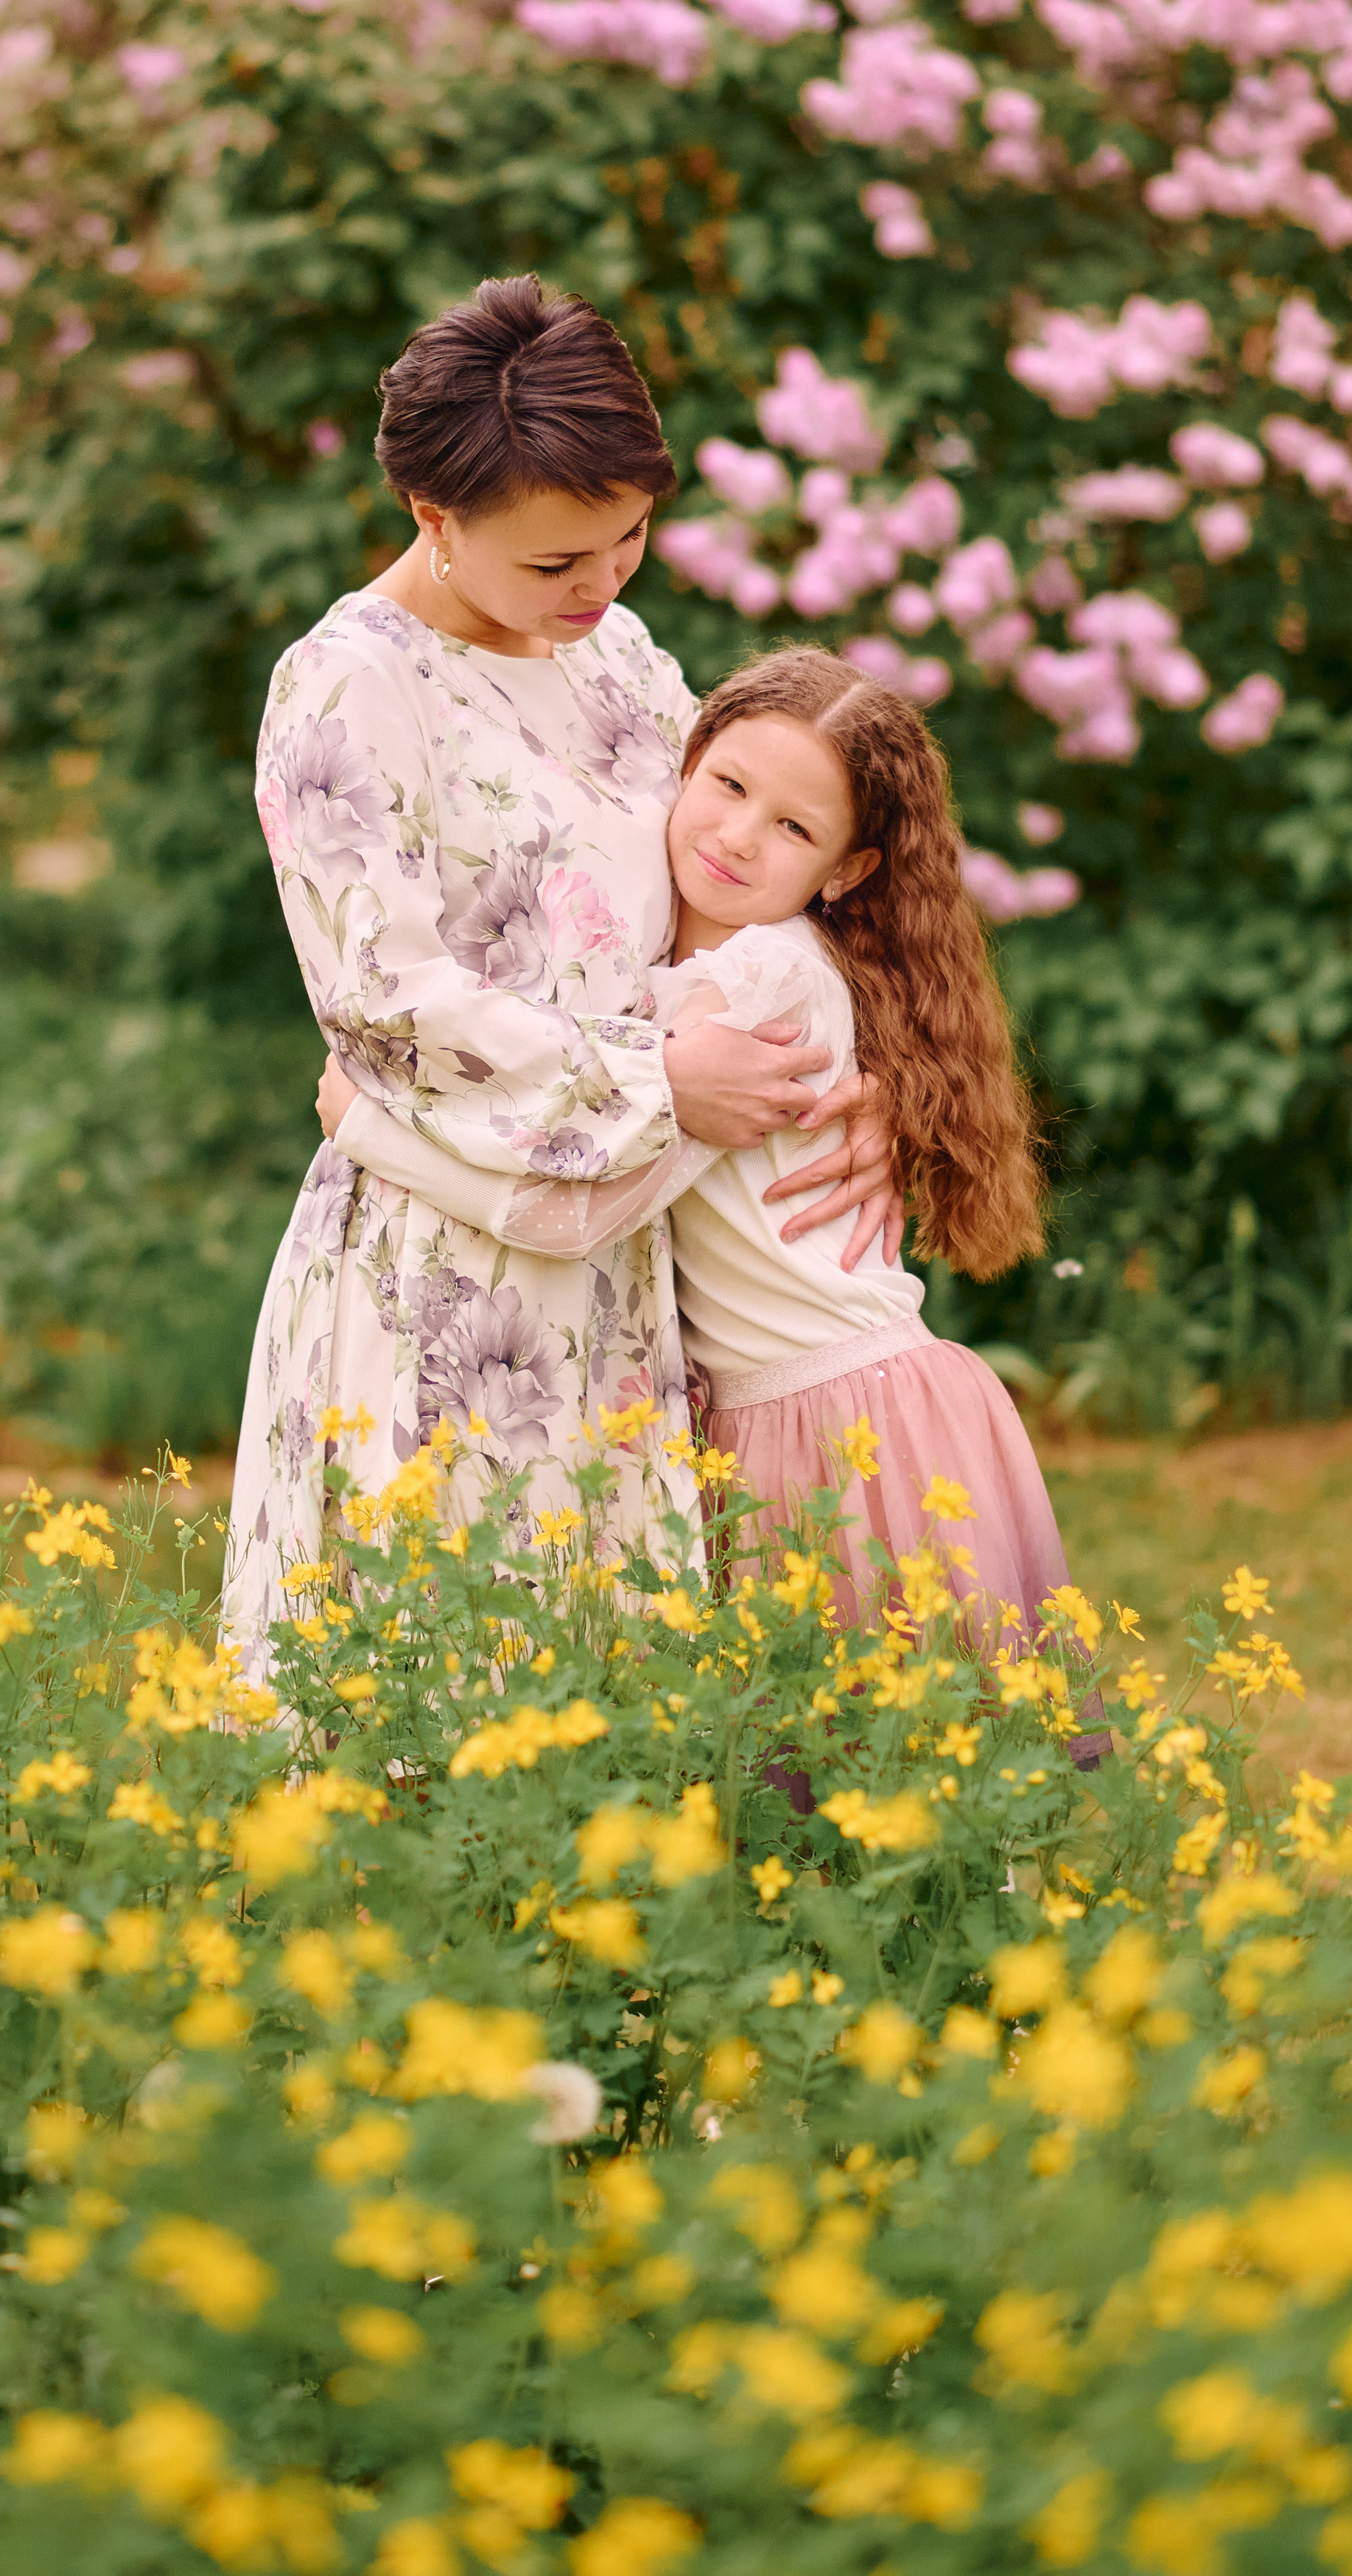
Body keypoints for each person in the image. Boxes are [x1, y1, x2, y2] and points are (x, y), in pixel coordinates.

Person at [222, 282, 907, 1674]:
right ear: (433, 516)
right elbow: (387, 1001)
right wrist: (663, 1085)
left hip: (633, 1253)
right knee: (442, 1676)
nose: (602, 586)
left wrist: (845, 1073)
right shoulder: (349, 689)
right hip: (446, 1255)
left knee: (608, 1689)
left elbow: (752, 878)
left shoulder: (619, 663)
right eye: (556, 562)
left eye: (630, 538)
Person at [327, 649, 1104, 1764]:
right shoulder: (712, 965)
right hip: (795, 1408)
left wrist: (368, 1126)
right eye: (729, 785)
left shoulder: (755, 988)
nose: (739, 836)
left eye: (794, 828)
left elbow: (580, 1217)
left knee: (886, 1776)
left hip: (837, 1420)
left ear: (846, 871)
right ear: (684, 765)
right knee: (832, 1780)